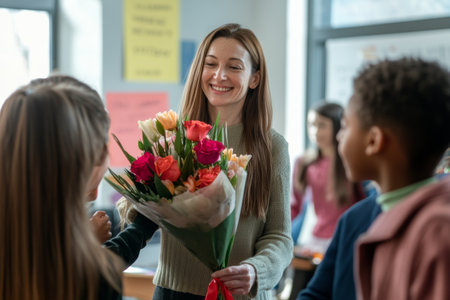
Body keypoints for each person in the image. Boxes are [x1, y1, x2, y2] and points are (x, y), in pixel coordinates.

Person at [141, 23, 292, 300]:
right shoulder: (172, 138)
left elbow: (280, 236)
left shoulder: (273, 147)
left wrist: (255, 270)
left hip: (242, 295)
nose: (219, 75)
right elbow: (139, 205)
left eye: (234, 67)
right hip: (173, 293)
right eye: (210, 64)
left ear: (255, 78)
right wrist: (133, 207)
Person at [337, 57, 450, 300]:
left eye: (345, 126)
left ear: (374, 141)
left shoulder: (437, 231)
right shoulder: (389, 216)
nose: (339, 137)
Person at [291, 102, 365, 255]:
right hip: (313, 241)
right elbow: (295, 207)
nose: (315, 131)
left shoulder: (352, 162)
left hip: (347, 239)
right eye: (311, 124)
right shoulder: (303, 163)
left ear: (338, 126)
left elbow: (364, 204)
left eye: (322, 125)